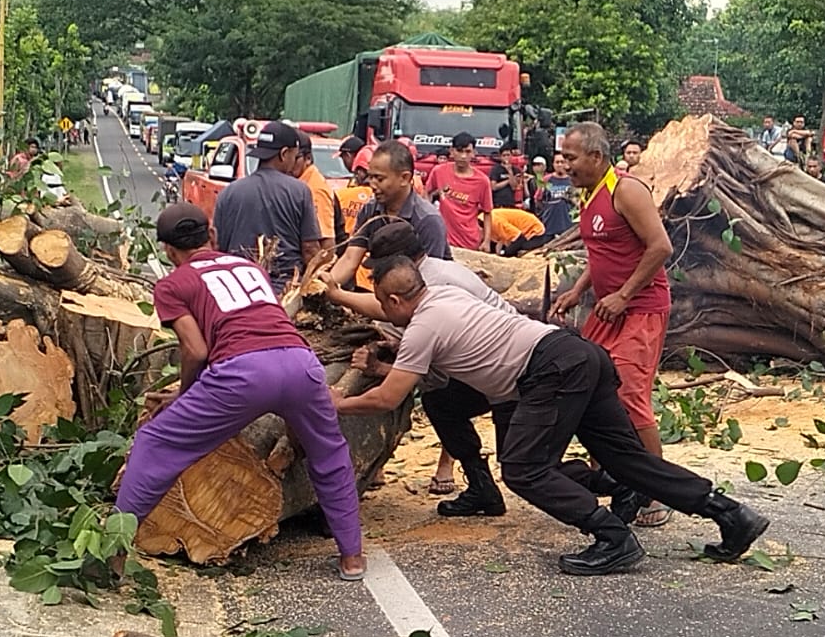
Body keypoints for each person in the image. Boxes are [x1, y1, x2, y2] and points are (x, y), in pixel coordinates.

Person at [333, 257, 770, 575]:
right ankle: (730, 514)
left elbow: (387, 399)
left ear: (393, 299)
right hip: (579, 354)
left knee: (523, 469)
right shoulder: (443, 295)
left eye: (381, 304)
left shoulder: (423, 325)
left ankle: (611, 538)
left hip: (550, 370)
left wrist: (338, 403)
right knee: (624, 459)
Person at [114, 204, 365, 580]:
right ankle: (352, 557)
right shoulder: (249, 268)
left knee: (155, 442)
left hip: (242, 373)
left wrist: (185, 395)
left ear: (167, 250)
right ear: (210, 236)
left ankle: (113, 551)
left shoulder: (171, 285)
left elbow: (196, 350)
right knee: (328, 453)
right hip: (301, 362)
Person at [324, 220, 518, 513]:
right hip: (499, 366)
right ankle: (482, 488)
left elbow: (414, 380)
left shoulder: (434, 288)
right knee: (441, 403)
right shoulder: (430, 276)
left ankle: (602, 489)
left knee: (522, 469)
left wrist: (369, 378)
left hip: (510, 372)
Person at [549, 122, 675, 528]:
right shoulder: (589, 195)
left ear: (596, 157)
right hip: (607, 311)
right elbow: (602, 254)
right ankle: (612, 479)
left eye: (571, 157)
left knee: (631, 396)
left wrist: (624, 294)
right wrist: (578, 291)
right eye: (563, 156)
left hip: (640, 310)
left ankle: (659, 492)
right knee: (593, 388)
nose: (564, 164)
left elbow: (660, 247)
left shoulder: (627, 191)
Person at [322, 140, 451, 289]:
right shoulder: (370, 210)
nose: (372, 184)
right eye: (370, 177)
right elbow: (350, 258)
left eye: (379, 178)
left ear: (404, 178)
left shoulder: (427, 220)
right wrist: (325, 286)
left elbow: (429, 282)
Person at [212, 121, 321, 290]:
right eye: (295, 155)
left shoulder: (228, 193)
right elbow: (310, 249)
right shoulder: (300, 191)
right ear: (284, 154)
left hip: (239, 288)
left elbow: (218, 248)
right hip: (282, 290)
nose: (295, 161)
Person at [426, 132, 493, 252]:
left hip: (469, 242)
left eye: (467, 152)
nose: (463, 156)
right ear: (452, 151)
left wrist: (487, 241)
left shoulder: (482, 181)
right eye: (459, 151)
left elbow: (487, 212)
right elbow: (426, 193)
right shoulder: (439, 172)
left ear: (474, 153)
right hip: (444, 240)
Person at [290, 129, 336, 258]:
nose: (289, 162)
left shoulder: (315, 189)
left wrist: (315, 274)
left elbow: (327, 244)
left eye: (295, 157)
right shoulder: (299, 184)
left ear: (308, 159)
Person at [536, 152, 577, 237]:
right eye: (557, 162)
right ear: (553, 164)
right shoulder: (546, 180)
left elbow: (578, 201)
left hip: (568, 223)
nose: (559, 165)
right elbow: (538, 199)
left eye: (562, 162)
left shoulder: (573, 180)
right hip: (549, 224)